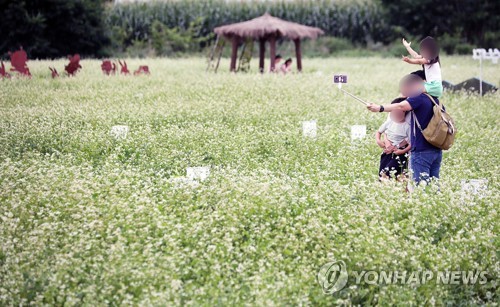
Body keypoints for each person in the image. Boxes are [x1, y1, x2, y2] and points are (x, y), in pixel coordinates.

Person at [367, 74, 443, 185]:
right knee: (433, 185)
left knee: (421, 187)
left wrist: (379, 108)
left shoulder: (418, 99)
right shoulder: (434, 99)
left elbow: (401, 106)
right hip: (436, 149)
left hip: (421, 150)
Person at [376, 97, 411, 180]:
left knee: (388, 173)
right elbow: (379, 132)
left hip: (400, 153)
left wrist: (402, 151)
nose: (396, 115)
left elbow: (411, 142)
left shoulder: (407, 126)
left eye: (399, 113)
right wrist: (379, 141)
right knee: (382, 173)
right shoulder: (389, 122)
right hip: (387, 152)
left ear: (404, 112)